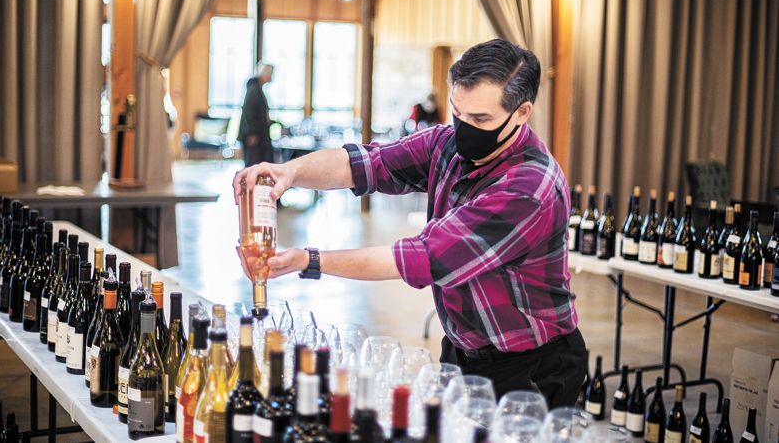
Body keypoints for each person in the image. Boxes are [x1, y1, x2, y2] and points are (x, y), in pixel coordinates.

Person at [232, 39, 586, 406]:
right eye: (457, 113)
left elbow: (423, 258)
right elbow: (366, 163)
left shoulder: (528, 188)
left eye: (480, 120)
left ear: (522, 112)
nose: (464, 129)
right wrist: (289, 171)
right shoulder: (447, 144)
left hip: (531, 366)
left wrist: (310, 259)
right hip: (464, 350)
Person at [238, 63, 275, 167]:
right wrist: (251, 133)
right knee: (253, 165)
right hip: (254, 137)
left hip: (258, 135)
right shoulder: (254, 89)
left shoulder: (257, 88)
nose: (272, 77)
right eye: (271, 74)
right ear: (263, 74)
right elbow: (248, 112)